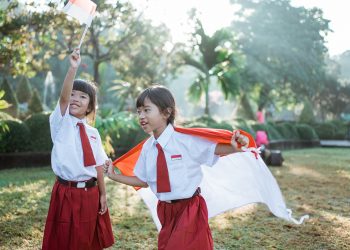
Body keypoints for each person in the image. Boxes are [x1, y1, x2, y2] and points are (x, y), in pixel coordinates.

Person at [104, 85, 249, 250]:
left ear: (166, 113)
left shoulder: (185, 140)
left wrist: (235, 147)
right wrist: (113, 176)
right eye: (139, 112)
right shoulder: (148, 148)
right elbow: (142, 181)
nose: (141, 116)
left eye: (147, 110)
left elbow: (213, 149)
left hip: (189, 208)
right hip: (165, 210)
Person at [42, 48, 114, 250]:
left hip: (90, 192)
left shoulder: (93, 133)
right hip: (66, 191)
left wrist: (103, 194)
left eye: (82, 97)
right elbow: (63, 99)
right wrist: (72, 69)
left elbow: (98, 165)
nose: (75, 98)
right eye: (73, 93)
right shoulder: (60, 123)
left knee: (86, 239)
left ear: (90, 107)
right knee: (63, 239)